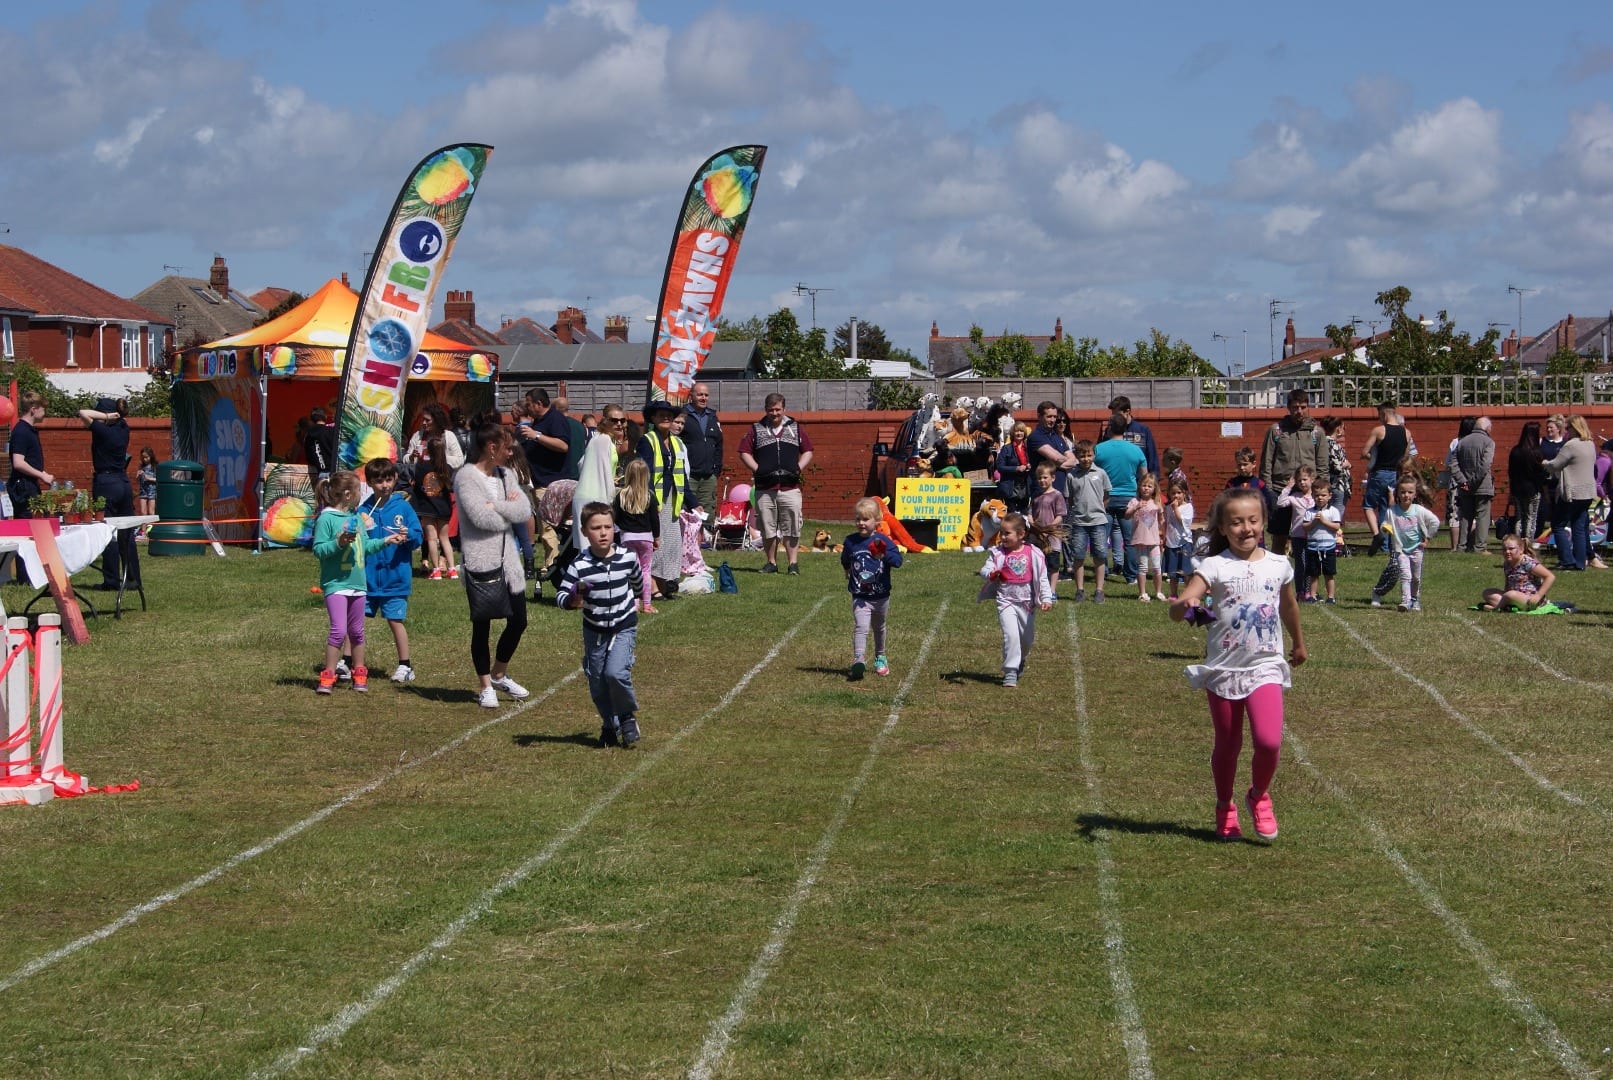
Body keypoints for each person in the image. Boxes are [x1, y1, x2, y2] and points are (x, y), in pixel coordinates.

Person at [1170, 487, 1305, 840]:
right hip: (1225, 670)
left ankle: (1258, 795)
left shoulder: (1279, 564)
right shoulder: (1214, 565)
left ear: (1262, 522)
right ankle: (1224, 805)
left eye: (1252, 520)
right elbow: (1184, 603)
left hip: (1266, 665)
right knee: (1228, 746)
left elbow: (1289, 607)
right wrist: (1184, 606)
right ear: (1223, 528)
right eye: (1236, 523)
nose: (1245, 528)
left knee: (1269, 740)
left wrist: (1299, 643)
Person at [454, 422, 533, 709]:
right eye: (507, 447)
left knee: (519, 620)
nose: (511, 452)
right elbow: (481, 519)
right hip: (480, 560)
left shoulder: (506, 474)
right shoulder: (466, 477)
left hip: (508, 560)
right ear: (492, 448)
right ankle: (485, 684)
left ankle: (499, 673)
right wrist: (505, 507)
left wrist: (496, 506)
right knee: (482, 626)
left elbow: (524, 510)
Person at [556, 502, 645, 748]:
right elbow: (561, 595)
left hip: (623, 624)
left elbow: (637, 582)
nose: (603, 532)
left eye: (608, 526)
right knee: (597, 681)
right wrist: (572, 600)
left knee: (615, 673)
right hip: (594, 630)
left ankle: (626, 716)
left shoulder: (627, 557)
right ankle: (609, 724)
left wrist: (636, 601)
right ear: (584, 532)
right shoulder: (580, 565)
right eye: (596, 528)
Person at [312, 471, 402, 694]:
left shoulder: (356, 519)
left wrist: (386, 541)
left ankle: (359, 673)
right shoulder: (327, 519)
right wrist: (339, 542)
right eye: (358, 490)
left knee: (357, 632)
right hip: (336, 584)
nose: (363, 494)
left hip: (359, 586)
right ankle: (328, 676)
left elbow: (367, 546)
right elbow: (319, 550)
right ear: (347, 494)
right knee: (338, 631)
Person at [357, 458, 421, 684]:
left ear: (394, 479)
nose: (384, 485)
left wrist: (409, 536)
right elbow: (359, 542)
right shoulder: (364, 510)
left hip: (396, 577)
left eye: (388, 480)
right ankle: (348, 661)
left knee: (395, 620)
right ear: (370, 482)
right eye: (378, 481)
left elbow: (418, 535)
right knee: (355, 621)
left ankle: (405, 665)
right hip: (367, 578)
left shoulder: (403, 507)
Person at [737, 393, 814, 575]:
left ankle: (793, 563)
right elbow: (743, 452)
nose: (774, 413)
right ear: (766, 410)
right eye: (771, 410)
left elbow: (808, 450)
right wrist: (757, 469)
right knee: (767, 527)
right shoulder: (756, 429)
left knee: (792, 526)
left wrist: (798, 467)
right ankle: (771, 562)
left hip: (790, 487)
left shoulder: (795, 428)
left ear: (784, 409)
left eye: (778, 409)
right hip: (765, 488)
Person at [977, 512, 1054, 689]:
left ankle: (1021, 659)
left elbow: (1042, 577)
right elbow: (985, 569)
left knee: (1026, 640)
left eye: (1007, 533)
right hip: (1006, 601)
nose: (1002, 537)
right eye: (1001, 532)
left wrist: (1046, 598)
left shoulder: (1034, 553)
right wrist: (992, 573)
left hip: (1027, 603)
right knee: (1010, 635)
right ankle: (1010, 671)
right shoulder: (997, 553)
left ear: (1021, 534)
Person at [77, 397, 139, 591]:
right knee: (127, 533)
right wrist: (114, 416)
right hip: (123, 482)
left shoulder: (102, 431)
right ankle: (133, 579)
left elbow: (82, 413)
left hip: (106, 482)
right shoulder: (123, 429)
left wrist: (104, 416)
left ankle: (111, 579)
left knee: (108, 532)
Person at [637, 400, 697, 598]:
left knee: (671, 546)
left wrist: (694, 503)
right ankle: (653, 588)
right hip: (655, 500)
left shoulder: (677, 442)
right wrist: (651, 501)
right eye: (661, 415)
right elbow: (644, 474)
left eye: (669, 415)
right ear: (652, 418)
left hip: (672, 501)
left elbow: (681, 476)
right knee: (657, 544)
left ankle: (664, 586)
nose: (666, 418)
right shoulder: (647, 440)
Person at [1258, 388, 1328, 556]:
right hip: (1281, 489)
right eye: (1295, 407)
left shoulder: (1316, 432)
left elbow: (1323, 465)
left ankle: (1304, 573)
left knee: (1307, 535)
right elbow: (1266, 462)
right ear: (1288, 407)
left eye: (1303, 407)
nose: (1299, 411)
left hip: (1308, 493)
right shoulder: (1276, 431)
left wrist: (1321, 490)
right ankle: (1276, 572)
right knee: (1279, 536)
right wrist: (1268, 490)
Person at [841, 496, 904, 680]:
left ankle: (880, 656)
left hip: (881, 595)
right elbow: (845, 558)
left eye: (865, 519)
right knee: (861, 627)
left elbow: (898, 561)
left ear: (876, 521)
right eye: (858, 519)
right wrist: (846, 570)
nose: (861, 523)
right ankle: (858, 658)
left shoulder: (883, 540)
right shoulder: (851, 541)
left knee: (879, 627)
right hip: (860, 595)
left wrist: (883, 554)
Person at [517, 388, 571, 579]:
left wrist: (536, 436)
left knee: (548, 526)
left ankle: (553, 565)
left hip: (550, 482)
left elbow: (563, 446)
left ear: (539, 404)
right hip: (538, 480)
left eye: (529, 403)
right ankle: (553, 561)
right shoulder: (539, 421)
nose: (527, 406)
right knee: (545, 527)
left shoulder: (555, 420)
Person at [1370, 476, 1441, 611]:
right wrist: (1385, 528)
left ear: (1415, 494)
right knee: (1405, 575)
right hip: (1401, 549)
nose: (1406, 495)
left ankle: (1415, 599)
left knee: (1416, 577)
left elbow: (1435, 522)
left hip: (1417, 549)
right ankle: (1405, 601)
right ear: (1397, 493)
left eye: (1409, 492)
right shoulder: (1392, 511)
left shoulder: (1419, 510)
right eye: (1402, 492)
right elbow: (1385, 524)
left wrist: (1427, 537)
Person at [1095, 415, 1147, 584]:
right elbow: (1144, 476)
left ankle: (1103, 572)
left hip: (1105, 497)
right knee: (1130, 539)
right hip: (1128, 497)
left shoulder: (1099, 449)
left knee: (1101, 538)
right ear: (1126, 429)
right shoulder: (1136, 450)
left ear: (1109, 428)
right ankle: (1131, 575)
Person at [1542, 414, 1597, 572]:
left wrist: (1544, 463)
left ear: (1575, 428)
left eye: (1568, 428)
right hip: (1587, 492)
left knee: (1558, 525)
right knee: (1579, 527)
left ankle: (1567, 560)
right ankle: (1580, 562)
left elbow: (1556, 465)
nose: (1566, 431)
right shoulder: (1590, 444)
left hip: (1572, 492)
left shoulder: (1571, 445)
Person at [1361, 399, 1415, 552]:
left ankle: (1377, 534)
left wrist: (1372, 459)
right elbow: (1405, 457)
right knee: (1386, 508)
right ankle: (1386, 546)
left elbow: (1365, 452)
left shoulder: (1379, 430)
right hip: (1395, 474)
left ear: (1384, 414)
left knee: (1368, 505)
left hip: (1380, 473)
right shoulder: (1407, 432)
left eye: (1379, 415)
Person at [1063, 439, 1110, 603]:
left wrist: (1099, 509)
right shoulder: (1071, 475)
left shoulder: (1101, 473)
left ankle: (1099, 590)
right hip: (1079, 523)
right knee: (1078, 556)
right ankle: (1080, 590)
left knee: (1100, 556)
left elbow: (1106, 495)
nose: (1086, 459)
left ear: (1094, 455)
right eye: (1082, 455)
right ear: (1076, 456)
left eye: (1089, 455)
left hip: (1098, 521)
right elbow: (1069, 500)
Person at [612, 457, 659, 613]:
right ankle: (647, 604)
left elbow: (615, 518)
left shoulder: (621, 496)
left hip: (627, 539)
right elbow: (654, 519)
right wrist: (656, 537)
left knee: (631, 571)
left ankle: (633, 603)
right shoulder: (650, 496)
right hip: (646, 538)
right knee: (645, 570)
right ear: (646, 476)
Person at [412, 431, 457, 580]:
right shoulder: (447, 468)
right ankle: (452, 569)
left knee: (431, 538)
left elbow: (417, 483)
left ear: (428, 451)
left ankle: (436, 569)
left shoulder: (421, 467)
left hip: (427, 507)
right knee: (445, 539)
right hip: (444, 507)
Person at [681, 382, 723, 534]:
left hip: (708, 475)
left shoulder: (713, 417)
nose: (703, 398)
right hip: (689, 474)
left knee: (707, 509)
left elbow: (719, 444)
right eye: (700, 394)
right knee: (687, 508)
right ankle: (686, 540)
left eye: (706, 395)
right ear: (691, 395)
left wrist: (716, 469)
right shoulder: (683, 415)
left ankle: (704, 541)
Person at [1450, 415, 1495, 553]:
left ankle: (1461, 546)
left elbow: (1453, 464)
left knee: (1465, 516)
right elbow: (1485, 465)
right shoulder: (1488, 442)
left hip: (1464, 486)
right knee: (1482, 516)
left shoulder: (1462, 442)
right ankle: (1479, 547)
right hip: (1482, 485)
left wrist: (1464, 482)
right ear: (1487, 428)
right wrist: (1473, 482)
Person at [1481, 535, 1557, 611]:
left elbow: (1550, 576)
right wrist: (1506, 594)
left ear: (1521, 550)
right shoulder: (1507, 563)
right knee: (1487, 592)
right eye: (1504, 549)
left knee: (1511, 595)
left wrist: (1538, 596)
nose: (1507, 552)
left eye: (1511, 549)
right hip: (1513, 596)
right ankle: (1506, 605)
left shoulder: (1527, 562)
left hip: (1530, 599)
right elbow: (1508, 581)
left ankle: (1496, 608)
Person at [7, 392, 51, 518]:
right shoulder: (22, 431)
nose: (45, 412)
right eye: (43, 409)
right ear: (34, 409)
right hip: (24, 487)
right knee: (30, 523)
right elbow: (18, 462)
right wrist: (42, 475)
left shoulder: (29, 430)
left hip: (30, 484)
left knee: (41, 519)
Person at [1276, 466, 1318, 597]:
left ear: (1312, 479)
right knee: (1301, 564)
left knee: (1312, 565)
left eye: (1305, 479)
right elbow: (1280, 503)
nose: (1302, 483)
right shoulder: (1295, 497)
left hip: (1313, 536)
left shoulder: (1316, 497)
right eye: (1299, 480)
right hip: (1298, 536)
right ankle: (1300, 590)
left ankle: (1310, 591)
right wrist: (1288, 487)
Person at [1126, 472, 1166, 601]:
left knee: (1156, 567)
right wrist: (1136, 508)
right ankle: (1142, 593)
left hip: (1154, 541)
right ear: (1139, 487)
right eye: (1144, 485)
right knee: (1143, 567)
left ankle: (1158, 592)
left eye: (1149, 486)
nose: (1146, 488)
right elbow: (1126, 515)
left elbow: (1161, 519)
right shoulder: (1134, 501)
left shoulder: (1156, 502)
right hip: (1140, 540)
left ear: (1154, 489)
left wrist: (1162, 534)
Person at [1508, 422, 1549, 544]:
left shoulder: (1515, 451)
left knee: (1519, 516)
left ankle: (1517, 542)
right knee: (1531, 517)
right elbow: (1541, 474)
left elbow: (1511, 472)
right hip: (1532, 489)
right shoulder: (1537, 452)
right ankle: (1528, 542)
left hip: (1516, 488)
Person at [1029, 462, 1067, 591]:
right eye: (1039, 477)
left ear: (1053, 478)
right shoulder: (1036, 496)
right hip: (1036, 536)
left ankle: (1052, 590)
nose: (1041, 480)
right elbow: (1030, 512)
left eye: (1045, 477)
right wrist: (1031, 521)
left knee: (1053, 564)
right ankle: (1039, 588)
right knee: (1037, 563)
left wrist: (1048, 528)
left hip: (1052, 538)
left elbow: (1060, 515)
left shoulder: (1057, 495)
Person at [1440, 417, 1476, 552]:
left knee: (1454, 515)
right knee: (1471, 513)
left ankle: (1455, 547)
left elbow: (1447, 463)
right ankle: (1470, 545)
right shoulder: (1476, 443)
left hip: (1455, 482)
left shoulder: (1455, 442)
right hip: (1472, 481)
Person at [1304, 478, 1342, 603]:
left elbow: (1336, 527)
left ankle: (1331, 596)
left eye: (1323, 495)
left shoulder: (1333, 511)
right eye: (1317, 495)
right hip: (1313, 548)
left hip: (1328, 548)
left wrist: (1324, 521)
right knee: (1314, 574)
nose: (1320, 498)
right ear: (1312, 496)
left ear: (1329, 496)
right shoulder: (1310, 512)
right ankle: (1313, 595)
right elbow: (1306, 527)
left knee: (1329, 573)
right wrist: (1315, 521)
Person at [1103, 395, 1160, 475]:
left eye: (1118, 415)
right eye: (1113, 415)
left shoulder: (1142, 430)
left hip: (1139, 482)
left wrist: (1154, 480)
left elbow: (1152, 457)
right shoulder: (1110, 431)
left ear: (1127, 411)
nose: (1115, 418)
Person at [1027, 400, 1076, 488]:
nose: (1053, 420)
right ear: (1039, 416)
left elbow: (1073, 460)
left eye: (1054, 417)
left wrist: (1057, 463)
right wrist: (1061, 460)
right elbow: (1056, 458)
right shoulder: (1036, 436)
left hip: (1062, 489)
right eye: (1049, 417)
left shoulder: (1057, 436)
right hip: (1043, 491)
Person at [1163, 477, 1195, 599]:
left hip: (1184, 542)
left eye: (1179, 493)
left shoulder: (1188, 507)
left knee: (1186, 571)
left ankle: (1188, 593)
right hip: (1171, 542)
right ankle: (1173, 593)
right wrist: (1164, 537)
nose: (1176, 496)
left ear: (1184, 493)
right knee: (1172, 572)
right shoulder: (1168, 508)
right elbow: (1166, 522)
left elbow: (1182, 521)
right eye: (1173, 493)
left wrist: (1176, 508)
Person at [1317, 416, 1352, 524]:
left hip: (1330, 484)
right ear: (1338, 429)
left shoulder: (1322, 443)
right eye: (1342, 427)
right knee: (1336, 515)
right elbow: (1336, 466)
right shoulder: (1332, 444)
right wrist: (1346, 464)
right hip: (1338, 484)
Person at [996, 422, 1034, 515]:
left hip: (1025, 486)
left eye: (1021, 431)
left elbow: (1034, 463)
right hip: (1011, 486)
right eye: (1017, 431)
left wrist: (1030, 465)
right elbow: (1000, 467)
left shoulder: (1029, 448)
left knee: (1024, 513)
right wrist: (1016, 468)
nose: (1019, 433)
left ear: (1024, 433)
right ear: (1013, 433)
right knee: (1011, 514)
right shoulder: (1006, 448)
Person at [304, 407, 337, 487]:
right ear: (325, 417)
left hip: (321, 475)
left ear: (311, 420)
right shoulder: (331, 432)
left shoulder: (307, 436)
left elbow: (309, 457)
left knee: (323, 499)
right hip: (334, 474)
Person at [135, 447, 158, 535]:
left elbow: (159, 479)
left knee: (151, 511)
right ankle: (143, 531)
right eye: (143, 457)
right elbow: (138, 480)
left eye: (146, 457)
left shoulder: (155, 466)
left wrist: (149, 478)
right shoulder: (142, 466)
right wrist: (138, 475)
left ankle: (151, 530)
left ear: (151, 456)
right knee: (143, 511)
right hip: (143, 490)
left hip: (152, 490)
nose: (145, 459)